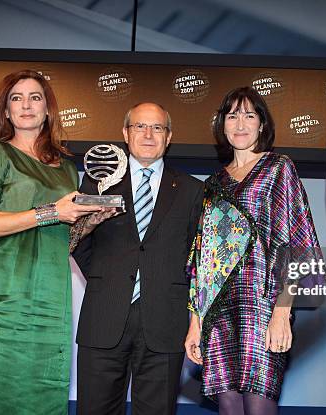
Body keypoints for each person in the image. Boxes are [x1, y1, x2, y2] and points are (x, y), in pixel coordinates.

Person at [0, 69, 109, 414]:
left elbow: (63, 239)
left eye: (35, 97)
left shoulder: (66, 169)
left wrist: (91, 220)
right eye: (16, 98)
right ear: (5, 110)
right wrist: (52, 211)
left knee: (42, 396)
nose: (26, 105)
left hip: (50, 300)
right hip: (0, 299)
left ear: (47, 109)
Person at [184, 87, 320, 415]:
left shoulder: (278, 168)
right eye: (233, 116)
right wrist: (194, 322)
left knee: (259, 404)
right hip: (216, 311)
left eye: (249, 115)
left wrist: (282, 312)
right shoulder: (212, 184)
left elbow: (295, 243)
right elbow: (201, 259)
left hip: (264, 305)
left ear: (262, 124)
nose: (240, 123)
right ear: (222, 125)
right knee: (229, 406)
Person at [72, 102, 204, 415]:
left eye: (157, 127)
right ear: (125, 134)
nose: (148, 134)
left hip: (165, 322)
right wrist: (108, 277)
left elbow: (197, 255)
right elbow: (77, 241)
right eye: (139, 126)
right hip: (103, 316)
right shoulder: (98, 181)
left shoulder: (191, 189)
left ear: (168, 136)